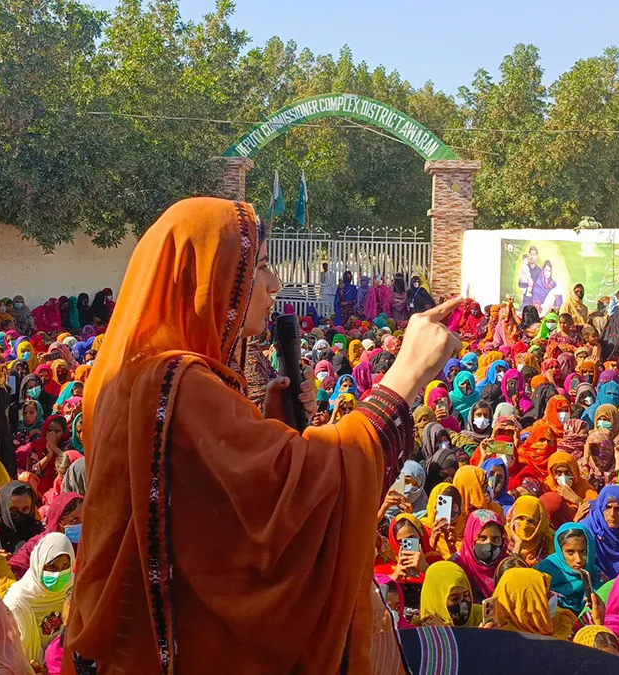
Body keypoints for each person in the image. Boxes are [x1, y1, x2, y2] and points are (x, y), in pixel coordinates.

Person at [66, 198, 461, 673]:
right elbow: (304, 492)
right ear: (211, 280)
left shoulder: (132, 377)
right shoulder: (178, 383)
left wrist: (266, 435)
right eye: (259, 266)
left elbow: (210, 519)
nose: (275, 285)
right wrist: (404, 378)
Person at [4, 532, 74, 663]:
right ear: (38, 564)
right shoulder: (17, 602)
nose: (58, 574)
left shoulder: (73, 588)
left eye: (65, 566)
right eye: (51, 567)